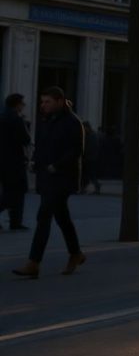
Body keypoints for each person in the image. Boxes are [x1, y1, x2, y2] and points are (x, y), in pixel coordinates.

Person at [13, 87, 86, 279]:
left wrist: (57, 165)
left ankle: (33, 262)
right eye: (42, 101)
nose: (43, 105)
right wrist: (35, 162)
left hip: (62, 178)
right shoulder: (45, 121)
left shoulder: (72, 122)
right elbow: (42, 145)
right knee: (62, 217)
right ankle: (76, 253)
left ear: (60, 101)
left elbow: (76, 150)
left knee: (43, 216)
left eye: (48, 102)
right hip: (46, 176)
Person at [1, 93, 31, 230]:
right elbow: (25, 139)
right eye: (22, 104)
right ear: (17, 104)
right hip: (14, 161)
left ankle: (15, 221)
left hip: (3, 160)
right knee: (17, 191)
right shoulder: (16, 119)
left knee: (9, 190)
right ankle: (15, 222)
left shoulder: (2, 116)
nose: (23, 106)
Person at [81, 121, 100, 194]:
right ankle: (86, 187)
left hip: (90, 158)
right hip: (90, 158)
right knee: (88, 175)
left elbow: (88, 148)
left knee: (90, 174)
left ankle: (95, 186)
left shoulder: (91, 136)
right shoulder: (92, 135)